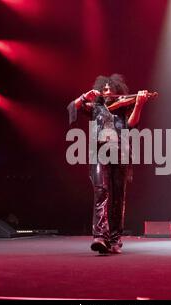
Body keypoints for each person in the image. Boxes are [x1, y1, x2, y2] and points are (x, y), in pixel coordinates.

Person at [67, 74, 151, 254]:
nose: (107, 92)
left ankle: (115, 239)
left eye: (110, 89)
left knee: (118, 198)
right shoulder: (95, 107)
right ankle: (100, 237)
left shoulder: (124, 108)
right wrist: (84, 97)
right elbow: (72, 108)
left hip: (121, 154)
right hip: (99, 154)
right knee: (101, 191)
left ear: (117, 91)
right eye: (104, 89)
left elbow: (131, 125)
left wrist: (139, 104)